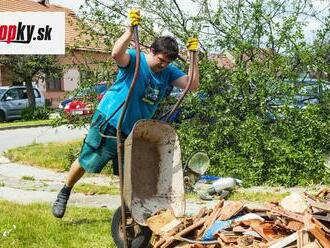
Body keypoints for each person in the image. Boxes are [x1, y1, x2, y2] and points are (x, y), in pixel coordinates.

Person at [52, 9, 199, 218]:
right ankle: (64, 192)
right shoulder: (134, 59)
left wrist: (195, 56)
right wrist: (130, 30)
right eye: (161, 60)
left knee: (130, 175)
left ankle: (128, 213)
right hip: (110, 121)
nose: (163, 65)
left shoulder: (168, 72)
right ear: (151, 51)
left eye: (168, 62)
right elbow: (115, 54)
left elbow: (191, 85)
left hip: (134, 131)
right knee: (87, 160)